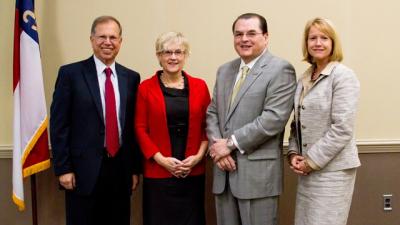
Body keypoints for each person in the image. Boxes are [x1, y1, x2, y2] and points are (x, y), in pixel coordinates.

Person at [50, 16, 141, 225]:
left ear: (120, 42)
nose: (107, 42)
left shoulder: (132, 77)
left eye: (113, 37)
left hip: (120, 171)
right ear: (92, 39)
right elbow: (59, 125)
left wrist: (134, 169)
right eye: (102, 37)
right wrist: (63, 168)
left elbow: (132, 129)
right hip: (82, 172)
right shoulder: (70, 74)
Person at [206, 13, 297, 225]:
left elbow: (273, 119)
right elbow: (212, 112)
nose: (244, 39)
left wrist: (229, 144)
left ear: (266, 37)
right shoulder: (224, 71)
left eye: (251, 33)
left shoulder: (280, 69)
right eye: (238, 34)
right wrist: (218, 150)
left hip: (257, 177)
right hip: (223, 173)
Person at [287, 17, 361, 225]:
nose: (318, 43)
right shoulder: (305, 77)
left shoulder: (343, 76)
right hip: (307, 171)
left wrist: (311, 161)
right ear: (306, 43)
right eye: (313, 38)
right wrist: (293, 153)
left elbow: (342, 128)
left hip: (333, 172)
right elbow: (296, 124)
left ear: (333, 43)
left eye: (324, 38)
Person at [135, 31, 210, 225]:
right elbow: (140, 128)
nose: (173, 57)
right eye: (167, 52)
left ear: (186, 55)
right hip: (158, 171)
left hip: (192, 169)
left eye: (179, 52)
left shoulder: (200, 86)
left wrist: (199, 157)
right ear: (159, 56)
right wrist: (162, 160)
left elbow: (207, 126)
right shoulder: (145, 88)